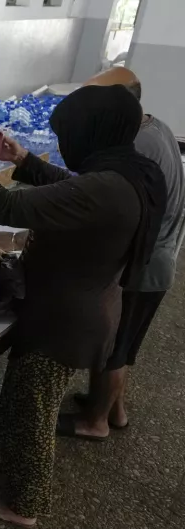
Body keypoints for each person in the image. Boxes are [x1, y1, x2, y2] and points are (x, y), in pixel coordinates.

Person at [0, 85, 166, 527]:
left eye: (67, 134)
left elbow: (6, 205)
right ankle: (13, 473)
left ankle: (22, 506)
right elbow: (75, 188)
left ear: (92, 132)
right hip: (84, 307)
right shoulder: (132, 170)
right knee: (19, 404)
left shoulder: (108, 186)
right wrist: (26, 162)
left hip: (67, 320)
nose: (65, 144)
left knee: (31, 413)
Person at [61, 68, 185, 440]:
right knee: (123, 342)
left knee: (115, 347)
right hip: (157, 256)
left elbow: (99, 197)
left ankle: (94, 422)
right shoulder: (154, 127)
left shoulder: (137, 147)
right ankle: (113, 411)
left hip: (144, 264)